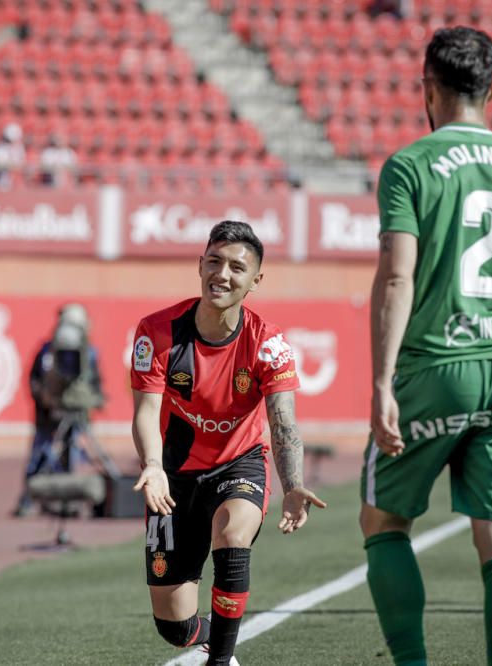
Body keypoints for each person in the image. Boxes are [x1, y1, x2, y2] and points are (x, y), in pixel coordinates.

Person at [360, 27, 492, 666]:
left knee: (383, 522)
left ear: (428, 89)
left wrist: (382, 382)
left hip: (436, 365)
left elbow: (398, 276)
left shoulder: (411, 165)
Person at [131, 220, 326, 666]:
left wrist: (292, 484)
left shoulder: (268, 343)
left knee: (232, 532)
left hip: (239, 464)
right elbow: (144, 412)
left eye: (237, 267)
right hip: (175, 475)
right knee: (174, 625)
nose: (223, 274)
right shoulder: (156, 331)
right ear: (199, 265)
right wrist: (154, 465)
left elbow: (284, 424)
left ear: (256, 280)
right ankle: (207, 637)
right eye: (214, 261)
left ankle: (221, 660)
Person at [13, 305, 105, 517]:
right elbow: (34, 379)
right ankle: (28, 500)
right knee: (41, 455)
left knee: (75, 456)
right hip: (48, 416)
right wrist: (45, 400)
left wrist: (90, 401)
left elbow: (95, 383)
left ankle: (71, 502)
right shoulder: (46, 351)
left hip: (76, 415)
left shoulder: (88, 353)